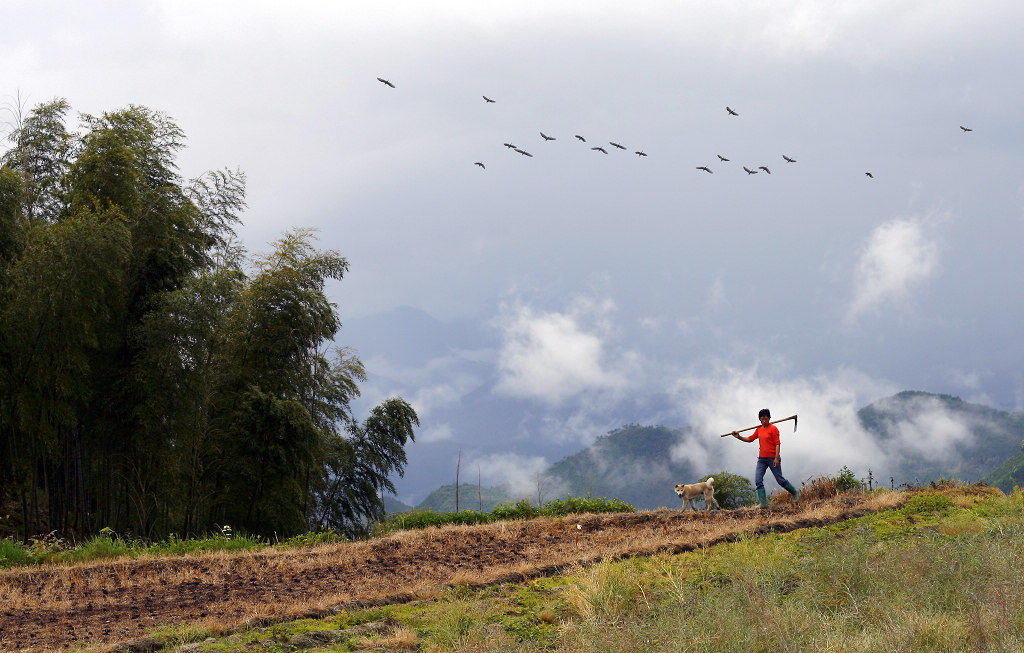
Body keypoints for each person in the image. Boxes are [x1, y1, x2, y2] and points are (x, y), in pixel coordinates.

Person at [731, 408, 799, 507]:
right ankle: (763, 504)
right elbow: (750, 439)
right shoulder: (759, 429)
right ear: (759, 419)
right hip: (762, 459)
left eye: (766, 419)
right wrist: (739, 437)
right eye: (762, 419)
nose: (764, 421)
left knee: (780, 480)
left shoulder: (773, 429)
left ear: (769, 418)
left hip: (772, 458)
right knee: (758, 480)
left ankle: (795, 492)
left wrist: (776, 458)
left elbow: (777, 444)